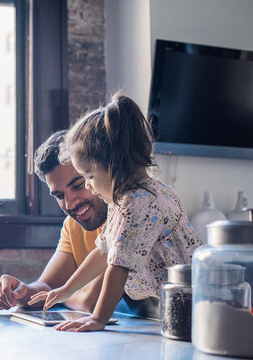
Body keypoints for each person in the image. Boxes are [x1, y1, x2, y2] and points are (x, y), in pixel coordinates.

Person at [29, 93, 202, 331]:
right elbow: (103, 252)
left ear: (113, 165)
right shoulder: (125, 201)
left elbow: (118, 266)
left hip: (193, 303)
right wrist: (65, 290)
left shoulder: (139, 202)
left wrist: (98, 318)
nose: (89, 185)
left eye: (88, 176)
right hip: (184, 301)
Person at [0, 130, 109, 312]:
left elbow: (90, 302)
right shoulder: (73, 225)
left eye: (77, 186)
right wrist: (21, 291)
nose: (70, 204)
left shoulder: (128, 216)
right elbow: (47, 286)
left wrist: (61, 296)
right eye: (59, 196)